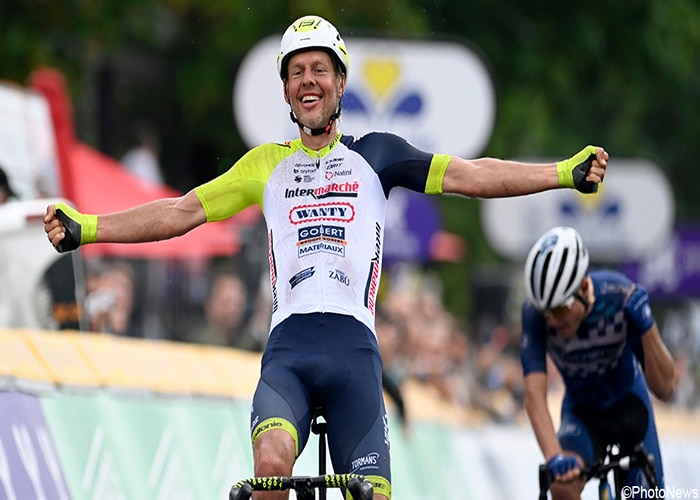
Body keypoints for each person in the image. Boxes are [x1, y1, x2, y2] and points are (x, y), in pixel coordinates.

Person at [44, 15, 608, 500]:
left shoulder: (379, 155)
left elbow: (471, 175)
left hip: (354, 356)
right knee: (269, 468)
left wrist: (562, 173)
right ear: (286, 91)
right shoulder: (264, 165)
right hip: (287, 354)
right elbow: (180, 212)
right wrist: (87, 228)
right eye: (296, 72)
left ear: (340, 83)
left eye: (319, 69)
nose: (307, 80)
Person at [519, 226, 675, 500]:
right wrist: (554, 457)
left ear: (583, 287)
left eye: (559, 309)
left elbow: (665, 389)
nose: (552, 321)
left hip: (629, 409)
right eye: (545, 312)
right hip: (582, 414)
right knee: (561, 485)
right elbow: (534, 395)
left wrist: (648, 327)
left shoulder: (618, 297)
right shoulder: (534, 315)